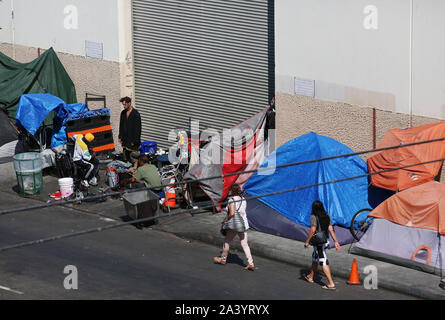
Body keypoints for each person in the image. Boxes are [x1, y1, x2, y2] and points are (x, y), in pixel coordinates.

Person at [213, 184, 254, 271]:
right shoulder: (243, 199)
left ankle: (223, 259)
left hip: (234, 225)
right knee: (245, 244)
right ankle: (251, 263)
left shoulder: (231, 200)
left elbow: (232, 213)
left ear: (231, 191)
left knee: (227, 241)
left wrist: (225, 221)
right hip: (244, 224)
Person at [304, 200, 341, 290]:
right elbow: (331, 229)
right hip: (325, 240)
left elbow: (312, 230)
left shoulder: (313, 217)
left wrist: (307, 241)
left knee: (323, 260)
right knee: (315, 257)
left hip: (319, 242)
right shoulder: (327, 216)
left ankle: (331, 283)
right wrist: (336, 241)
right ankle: (311, 276)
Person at [118, 96, 141, 164]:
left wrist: (135, 141)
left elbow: (138, 129)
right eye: (123, 104)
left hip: (133, 139)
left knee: (134, 156)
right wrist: (120, 137)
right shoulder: (123, 113)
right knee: (125, 155)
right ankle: (127, 168)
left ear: (129, 103)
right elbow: (121, 125)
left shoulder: (135, 114)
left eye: (125, 104)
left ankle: (135, 169)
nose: (124, 106)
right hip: (125, 139)